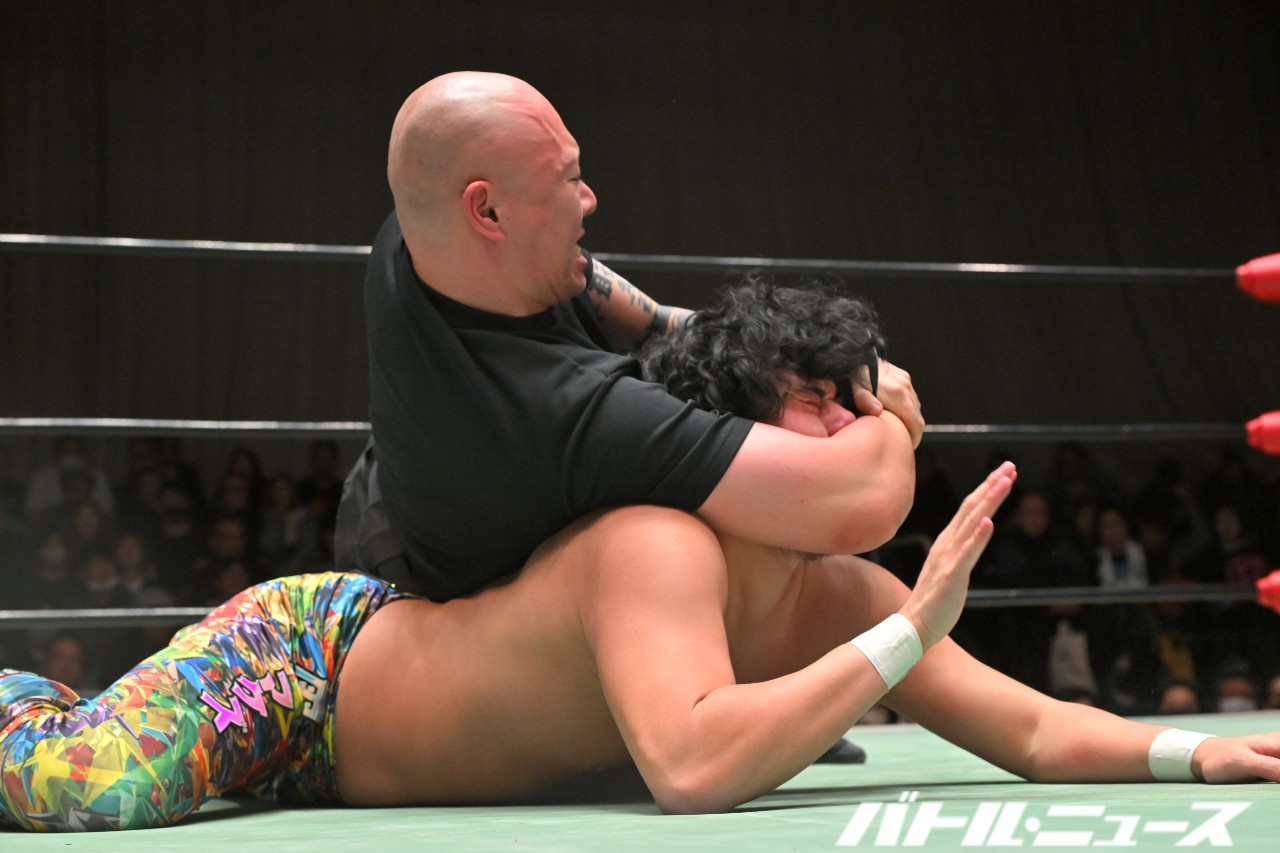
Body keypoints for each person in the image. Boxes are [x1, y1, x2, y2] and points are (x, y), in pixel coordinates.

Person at [4, 282, 1280, 833]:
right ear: (736, 432)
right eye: (820, 405)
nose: (854, 431)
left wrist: (1192, 752)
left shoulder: (840, 591)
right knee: (81, 785)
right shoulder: (656, 541)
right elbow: (691, 766)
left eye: (859, 403)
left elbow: (1038, 733)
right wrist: (908, 631)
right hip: (305, 673)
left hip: (352, 771)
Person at [338, 71, 923, 603]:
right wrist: (882, 402)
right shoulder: (568, 413)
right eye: (569, 179)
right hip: (437, 601)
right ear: (487, 211)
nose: (590, 198)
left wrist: (810, 351)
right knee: (673, 541)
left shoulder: (421, 229)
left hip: (389, 494)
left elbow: (656, 316)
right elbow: (863, 498)